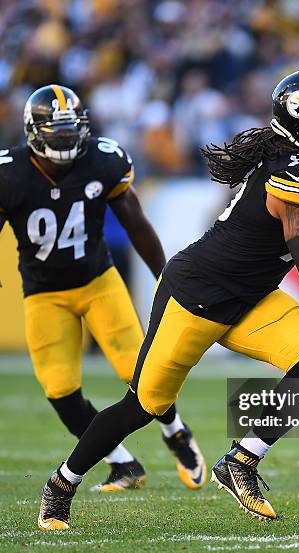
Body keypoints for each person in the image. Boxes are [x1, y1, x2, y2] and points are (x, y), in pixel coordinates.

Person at [37, 70, 299, 528]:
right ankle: (62, 483)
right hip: (197, 297)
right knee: (142, 406)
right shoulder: (293, 174)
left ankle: (241, 463)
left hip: (249, 298)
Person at [0, 84, 206, 495]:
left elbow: (135, 222)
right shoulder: (10, 173)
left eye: (70, 128)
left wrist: (166, 277)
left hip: (99, 282)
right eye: (55, 130)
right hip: (44, 293)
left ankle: (177, 434)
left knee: (141, 371)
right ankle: (122, 463)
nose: (65, 137)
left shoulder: (102, 160)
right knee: (59, 389)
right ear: (33, 132)